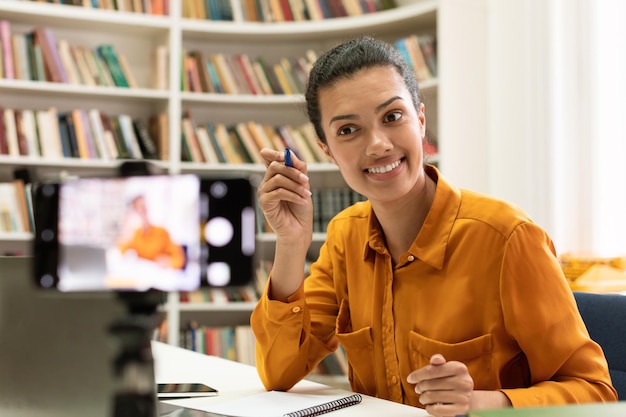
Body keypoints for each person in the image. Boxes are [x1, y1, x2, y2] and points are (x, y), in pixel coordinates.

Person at [250, 36, 617, 416]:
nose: (378, 145)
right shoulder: (345, 236)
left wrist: (481, 403)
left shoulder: (507, 238)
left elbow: (596, 393)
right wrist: (291, 244)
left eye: (392, 117)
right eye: (348, 130)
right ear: (326, 149)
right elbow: (279, 373)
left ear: (420, 121)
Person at [116, 194, 185, 270]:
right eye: (138, 209)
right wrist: (127, 230)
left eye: (144, 207)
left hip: (161, 274)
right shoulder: (135, 234)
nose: (142, 212)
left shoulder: (162, 232)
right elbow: (121, 253)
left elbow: (179, 260)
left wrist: (169, 262)